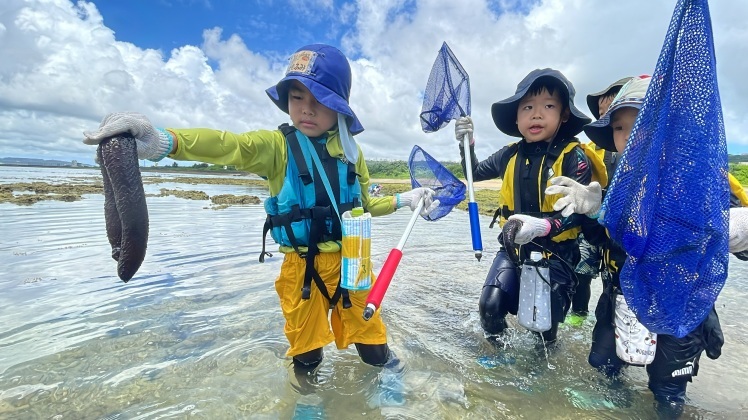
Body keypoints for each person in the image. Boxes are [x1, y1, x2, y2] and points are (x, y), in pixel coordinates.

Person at [82, 44, 438, 398]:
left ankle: (394, 390)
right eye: (297, 98)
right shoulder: (276, 147)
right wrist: (165, 141)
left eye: (320, 100)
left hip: (353, 264)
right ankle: (306, 403)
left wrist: (404, 200)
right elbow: (227, 145)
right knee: (307, 352)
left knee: (372, 341)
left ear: (340, 107)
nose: (307, 110)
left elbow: (365, 203)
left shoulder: (350, 151)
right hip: (303, 268)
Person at [546, 75, 748, 417]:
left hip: (675, 302)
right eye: (620, 128)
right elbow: (603, 239)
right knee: (602, 365)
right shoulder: (618, 181)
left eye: (642, 123)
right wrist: (593, 212)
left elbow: (739, 243)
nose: (630, 135)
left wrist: (737, 229)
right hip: (620, 293)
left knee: (667, 388)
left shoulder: (702, 175)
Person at [454, 68, 593, 346]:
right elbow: (475, 171)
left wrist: (545, 226)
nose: (536, 114)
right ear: (516, 118)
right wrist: (466, 144)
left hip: (557, 254)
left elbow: (579, 212)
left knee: (543, 328)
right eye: (527, 107)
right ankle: (498, 358)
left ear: (564, 114)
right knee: (490, 307)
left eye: (548, 106)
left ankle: (541, 373)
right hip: (512, 248)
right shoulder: (509, 154)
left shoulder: (574, 156)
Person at [567, 76, 633, 327]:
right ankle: (578, 316)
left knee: (613, 277)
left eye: (613, 112)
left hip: (623, 233)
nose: (606, 120)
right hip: (592, 223)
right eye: (603, 115)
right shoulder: (587, 149)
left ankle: (611, 325)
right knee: (581, 273)